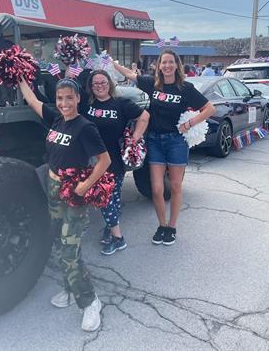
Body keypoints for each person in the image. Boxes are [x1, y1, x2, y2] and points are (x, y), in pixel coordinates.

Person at [18, 77, 111, 332]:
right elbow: (33, 101)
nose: (64, 103)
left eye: (69, 98)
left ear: (78, 98)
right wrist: (19, 77)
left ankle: (90, 301)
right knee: (60, 242)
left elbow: (104, 161)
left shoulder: (85, 127)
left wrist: (85, 185)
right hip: (53, 188)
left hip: (74, 192)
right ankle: (70, 290)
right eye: (60, 99)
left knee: (70, 249)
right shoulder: (56, 119)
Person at [113, 50, 215, 246]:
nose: (167, 66)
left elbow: (210, 109)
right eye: (163, 63)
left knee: (175, 186)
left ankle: (172, 227)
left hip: (176, 141)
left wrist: (190, 123)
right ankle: (162, 225)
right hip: (155, 141)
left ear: (177, 65)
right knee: (157, 189)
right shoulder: (152, 84)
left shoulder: (185, 88)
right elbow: (130, 75)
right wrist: (113, 63)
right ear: (158, 66)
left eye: (170, 62)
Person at [82, 69, 149, 255]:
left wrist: (134, 138)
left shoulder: (120, 103)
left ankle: (118, 238)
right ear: (91, 87)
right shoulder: (86, 106)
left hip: (114, 160)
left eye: (103, 82)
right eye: (96, 83)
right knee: (110, 198)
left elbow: (144, 117)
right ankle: (111, 230)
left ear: (109, 84)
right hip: (93, 159)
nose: (100, 86)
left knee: (107, 198)